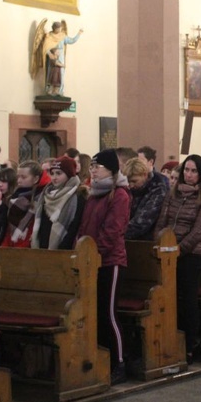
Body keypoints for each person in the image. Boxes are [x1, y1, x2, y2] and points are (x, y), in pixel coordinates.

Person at [155, 154, 201, 365]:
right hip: (167, 252)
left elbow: (200, 229)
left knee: (187, 298)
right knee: (166, 297)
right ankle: (168, 340)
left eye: (193, 171)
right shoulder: (173, 193)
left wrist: (180, 249)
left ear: (200, 175)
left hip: (191, 254)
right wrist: (161, 242)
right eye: (186, 170)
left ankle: (189, 344)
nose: (189, 175)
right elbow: (163, 220)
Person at [77, 149, 131, 385]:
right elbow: (84, 227)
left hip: (110, 262)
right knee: (93, 312)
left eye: (97, 167)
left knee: (108, 313)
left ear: (111, 170)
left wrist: (94, 254)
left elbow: (112, 230)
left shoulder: (119, 195)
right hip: (89, 261)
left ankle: (119, 362)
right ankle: (99, 358)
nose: (93, 170)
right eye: (92, 167)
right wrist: (78, 251)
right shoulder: (94, 194)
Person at [32, 156, 86, 250]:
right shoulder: (46, 193)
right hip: (43, 247)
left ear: (69, 174)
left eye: (59, 173)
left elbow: (74, 226)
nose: (54, 177)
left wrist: (63, 247)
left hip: (64, 249)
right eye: (52, 173)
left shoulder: (77, 195)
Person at [1, 161, 51, 248]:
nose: (19, 180)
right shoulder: (14, 196)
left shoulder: (39, 199)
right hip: (11, 242)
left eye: (23, 177)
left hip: (28, 244)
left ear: (35, 179)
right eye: (18, 177)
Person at [123, 157, 168, 240]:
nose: (131, 185)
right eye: (128, 181)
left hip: (147, 240)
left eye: (134, 181)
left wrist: (118, 234)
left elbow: (142, 222)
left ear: (144, 175)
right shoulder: (132, 189)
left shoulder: (158, 189)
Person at [43, 22, 83, 95]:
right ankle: (49, 89)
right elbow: (45, 47)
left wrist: (79, 34)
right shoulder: (50, 35)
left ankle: (59, 90)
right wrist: (49, 54)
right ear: (54, 28)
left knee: (60, 73)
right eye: (57, 28)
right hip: (52, 56)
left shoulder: (63, 36)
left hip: (60, 56)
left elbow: (72, 40)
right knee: (51, 73)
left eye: (60, 28)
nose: (59, 29)